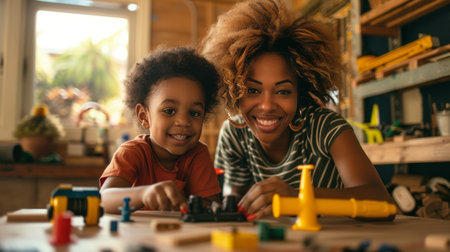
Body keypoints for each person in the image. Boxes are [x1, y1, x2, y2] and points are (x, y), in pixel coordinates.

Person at [199, 0, 394, 221]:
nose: (267, 105)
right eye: (252, 90)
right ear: (234, 91)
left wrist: (298, 198)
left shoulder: (325, 127)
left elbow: (383, 204)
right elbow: (236, 204)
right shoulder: (234, 134)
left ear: (300, 94)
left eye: (282, 92)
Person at [100, 47, 221, 214]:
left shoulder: (198, 155)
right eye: (169, 111)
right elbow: (104, 199)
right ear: (144, 116)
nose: (184, 121)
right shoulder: (132, 152)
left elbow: (212, 207)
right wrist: (144, 194)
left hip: (180, 238)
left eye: (194, 113)